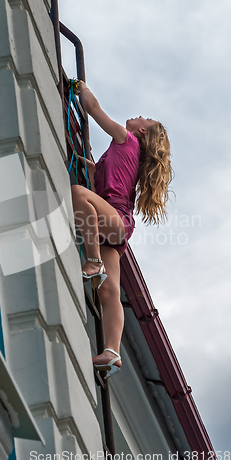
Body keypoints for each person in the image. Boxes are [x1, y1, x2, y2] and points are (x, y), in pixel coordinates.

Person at [71, 80, 173, 378]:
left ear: (142, 131)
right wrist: (84, 163)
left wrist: (81, 88)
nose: (139, 116)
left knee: (78, 194)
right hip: (115, 223)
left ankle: (92, 261)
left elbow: (92, 109)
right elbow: (99, 175)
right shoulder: (125, 154)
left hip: (114, 216)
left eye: (145, 118)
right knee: (110, 291)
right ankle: (112, 352)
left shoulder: (125, 138)